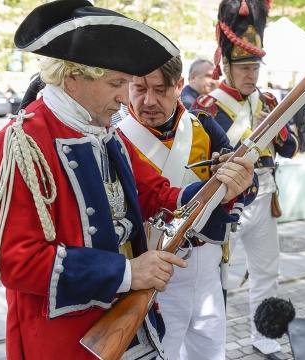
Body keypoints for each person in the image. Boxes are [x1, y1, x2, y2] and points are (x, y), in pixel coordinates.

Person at [0, 1, 254, 359]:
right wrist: (126, 272)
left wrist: (221, 186)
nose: (126, 98)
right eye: (116, 83)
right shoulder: (19, 145)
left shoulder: (107, 135)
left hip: (129, 331)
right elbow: (17, 263)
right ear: (74, 79)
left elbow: (159, 196)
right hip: (63, 341)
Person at [116, 54, 257, 360]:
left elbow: (249, 183)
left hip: (206, 266)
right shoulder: (116, 138)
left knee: (211, 352)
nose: (149, 100)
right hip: (153, 270)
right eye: (139, 89)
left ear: (179, 86)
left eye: (161, 89)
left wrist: (239, 180)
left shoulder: (203, 125)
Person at [192, 0, 299, 358]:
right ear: (227, 66)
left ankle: (264, 335)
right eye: (245, 67)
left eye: (255, 66)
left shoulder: (268, 101)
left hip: (266, 193)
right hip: (230, 196)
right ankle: (211, 344)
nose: (251, 74)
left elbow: (291, 149)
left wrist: (278, 127)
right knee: (216, 275)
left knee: (267, 270)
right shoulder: (209, 106)